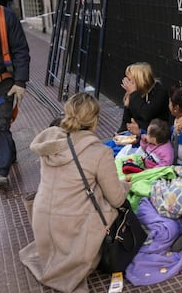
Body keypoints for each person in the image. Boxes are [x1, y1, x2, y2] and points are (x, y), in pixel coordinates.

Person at [19, 93, 130, 293]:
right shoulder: (99, 152)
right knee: (119, 207)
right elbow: (116, 198)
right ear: (95, 120)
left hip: (42, 221)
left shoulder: (51, 145)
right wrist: (125, 185)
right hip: (73, 227)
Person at [0, 0, 30, 186]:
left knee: (0, 124)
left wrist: (20, 82)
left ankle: (0, 172)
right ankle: (9, 152)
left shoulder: (6, 17)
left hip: (4, 82)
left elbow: (21, 50)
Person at [118, 62, 170, 136]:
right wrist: (119, 134)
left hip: (154, 136)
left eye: (129, 79)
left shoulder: (159, 92)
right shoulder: (133, 93)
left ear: (139, 80)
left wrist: (133, 93)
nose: (127, 82)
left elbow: (146, 114)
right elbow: (126, 121)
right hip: (133, 134)